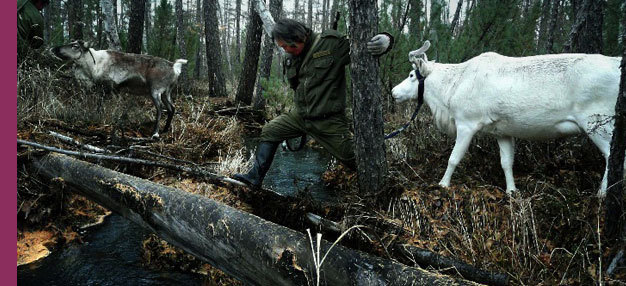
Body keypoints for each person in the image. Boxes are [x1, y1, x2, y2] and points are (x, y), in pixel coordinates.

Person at [233, 18, 393, 189]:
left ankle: (382, 184)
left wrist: (386, 40)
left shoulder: (330, 44)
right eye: (282, 47)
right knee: (270, 130)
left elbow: (363, 46)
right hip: (300, 116)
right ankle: (254, 178)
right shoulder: (290, 58)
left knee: (352, 158)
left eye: (288, 46)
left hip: (328, 120)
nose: (286, 50)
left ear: (299, 37)